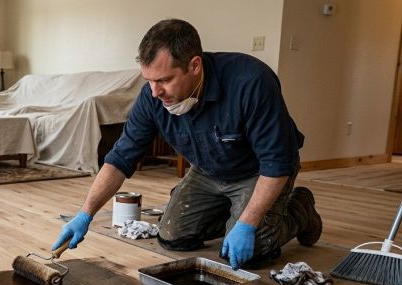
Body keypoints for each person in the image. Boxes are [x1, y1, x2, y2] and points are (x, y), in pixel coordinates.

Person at [52, 18, 322, 270]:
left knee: (254, 252)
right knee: (172, 237)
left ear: (194, 66)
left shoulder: (251, 81)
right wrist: (85, 214)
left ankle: (301, 208)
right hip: (207, 171)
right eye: (149, 81)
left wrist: (248, 224)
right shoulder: (152, 97)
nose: (155, 92)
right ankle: (234, 215)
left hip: (258, 172)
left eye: (164, 80)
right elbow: (121, 158)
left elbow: (277, 163)